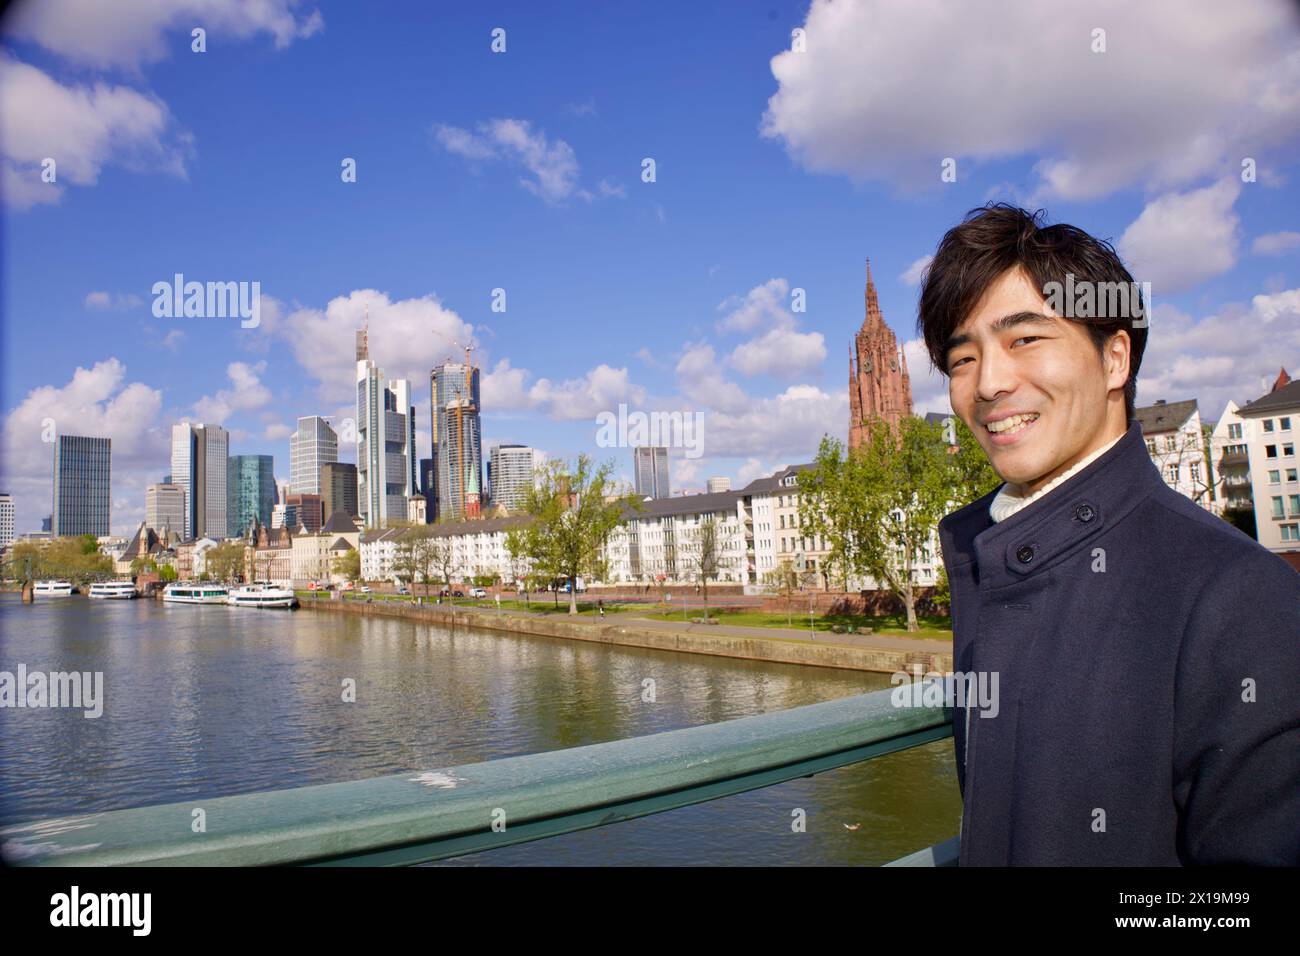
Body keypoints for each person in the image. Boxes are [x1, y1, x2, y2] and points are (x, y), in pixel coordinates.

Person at [918, 202, 1300, 866]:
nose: (989, 383)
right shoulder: (990, 557)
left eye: (1025, 339)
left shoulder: (1241, 596)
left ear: (1115, 356)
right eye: (961, 358)